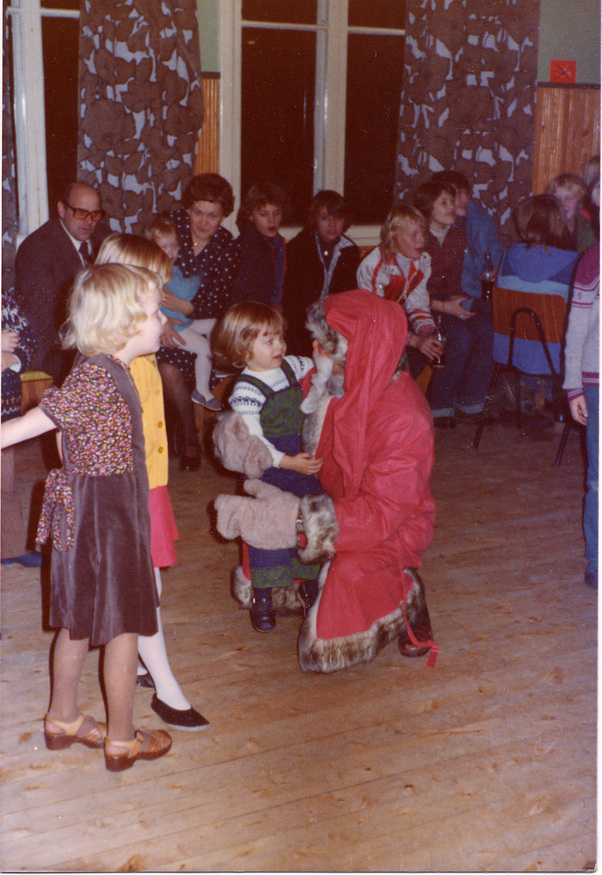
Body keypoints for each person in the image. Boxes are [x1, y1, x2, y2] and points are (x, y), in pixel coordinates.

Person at [1, 263, 173, 771]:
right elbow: (38, 423)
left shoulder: (98, 367)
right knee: (125, 627)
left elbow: (64, 438)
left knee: (78, 620)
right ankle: (121, 738)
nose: (164, 320)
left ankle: (62, 718)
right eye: (155, 312)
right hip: (108, 517)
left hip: (91, 510)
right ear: (124, 325)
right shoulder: (99, 377)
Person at [214, 290, 437, 673]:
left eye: (324, 345)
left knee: (346, 583)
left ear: (357, 352)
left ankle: (407, 593)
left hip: (388, 523)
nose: (313, 350)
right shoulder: (337, 379)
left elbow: (381, 513)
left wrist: (299, 519)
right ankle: (290, 584)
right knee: (266, 515)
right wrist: (234, 441)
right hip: (333, 497)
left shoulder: (405, 419)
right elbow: (256, 410)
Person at [96, 233, 209, 730]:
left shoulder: (140, 356)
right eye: (154, 295)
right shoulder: (108, 366)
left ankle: (146, 665)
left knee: (150, 583)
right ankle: (166, 688)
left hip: (150, 483)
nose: (162, 307)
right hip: (128, 490)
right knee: (145, 585)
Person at [212, 301, 323, 632]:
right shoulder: (245, 390)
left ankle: (311, 588)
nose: (280, 346)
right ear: (243, 348)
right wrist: (288, 462)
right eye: (269, 340)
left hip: (301, 463)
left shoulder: (290, 365)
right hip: (270, 469)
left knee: (310, 522)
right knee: (266, 528)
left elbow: (318, 363)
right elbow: (255, 442)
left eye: (280, 337)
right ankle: (262, 596)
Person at [157, 173, 239, 471]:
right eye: (197, 212)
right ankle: (187, 436)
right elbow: (142, 273)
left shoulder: (226, 244)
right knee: (167, 368)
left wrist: (188, 307)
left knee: (195, 356)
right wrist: (163, 320)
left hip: (201, 324)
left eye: (212, 215)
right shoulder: (170, 227)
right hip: (160, 320)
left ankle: (184, 431)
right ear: (188, 209)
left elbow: (221, 298)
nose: (203, 222)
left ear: (223, 215)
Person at [413, 180, 493, 428]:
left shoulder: (457, 236)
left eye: (452, 200)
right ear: (428, 208)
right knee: (460, 336)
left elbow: (453, 281)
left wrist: (459, 302)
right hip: (420, 305)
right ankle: (439, 404)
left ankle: (470, 402)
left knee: (489, 325)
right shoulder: (418, 238)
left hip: (446, 301)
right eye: (444, 202)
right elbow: (411, 292)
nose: (452, 206)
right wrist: (447, 307)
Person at [15, 181, 110, 382]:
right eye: (80, 212)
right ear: (61, 209)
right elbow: (45, 322)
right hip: (58, 346)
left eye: (95, 214)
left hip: (98, 335)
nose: (89, 221)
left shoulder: (105, 237)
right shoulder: (36, 249)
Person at [496, 195, 579, 400]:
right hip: (555, 356)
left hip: (511, 350)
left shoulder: (508, 256)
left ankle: (530, 390)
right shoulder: (574, 262)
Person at [356, 204, 442, 377]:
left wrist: (427, 335)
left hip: (394, 320)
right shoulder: (373, 265)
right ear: (393, 237)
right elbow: (376, 319)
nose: (421, 240)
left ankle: (404, 387)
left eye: (422, 233)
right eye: (413, 235)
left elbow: (417, 302)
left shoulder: (422, 260)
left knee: (434, 345)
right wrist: (415, 341)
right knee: (399, 358)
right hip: (369, 325)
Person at [145, 216, 221, 411]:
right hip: (173, 327)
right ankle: (201, 391)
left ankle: (217, 364)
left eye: (174, 246)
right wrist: (198, 277)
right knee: (204, 348)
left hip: (182, 321)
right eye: (164, 247)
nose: (171, 252)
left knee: (215, 324)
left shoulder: (171, 267)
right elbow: (186, 292)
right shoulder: (160, 271)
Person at [283, 190, 360, 355]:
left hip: (333, 321)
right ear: (314, 219)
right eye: (325, 218)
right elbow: (292, 298)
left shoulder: (350, 251)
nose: (332, 224)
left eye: (338, 218)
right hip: (301, 322)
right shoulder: (298, 247)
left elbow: (346, 296)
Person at [563, 243, 599, 590]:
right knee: (599, 478)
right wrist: (573, 385)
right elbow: (577, 325)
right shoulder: (594, 259)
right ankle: (598, 560)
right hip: (597, 380)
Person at [1, 292, 42, 568]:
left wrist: (11, 359)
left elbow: (29, 341)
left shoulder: (6, 301)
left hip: (4, 410)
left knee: (3, 483)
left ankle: (10, 545)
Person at [430, 170, 505, 300]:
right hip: (459, 298)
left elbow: (496, 250)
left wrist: (498, 270)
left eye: (466, 193)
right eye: (459, 194)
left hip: (487, 292)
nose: (465, 199)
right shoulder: (440, 229)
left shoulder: (482, 220)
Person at [229, 183, 288, 307]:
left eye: (276, 213)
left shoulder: (276, 242)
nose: (272, 220)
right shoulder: (248, 247)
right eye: (263, 214)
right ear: (250, 216)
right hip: (249, 313)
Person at [547, 173, 597, 253]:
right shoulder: (543, 227)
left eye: (569, 198)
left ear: (579, 202)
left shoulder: (589, 229)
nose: (562, 203)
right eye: (557, 198)